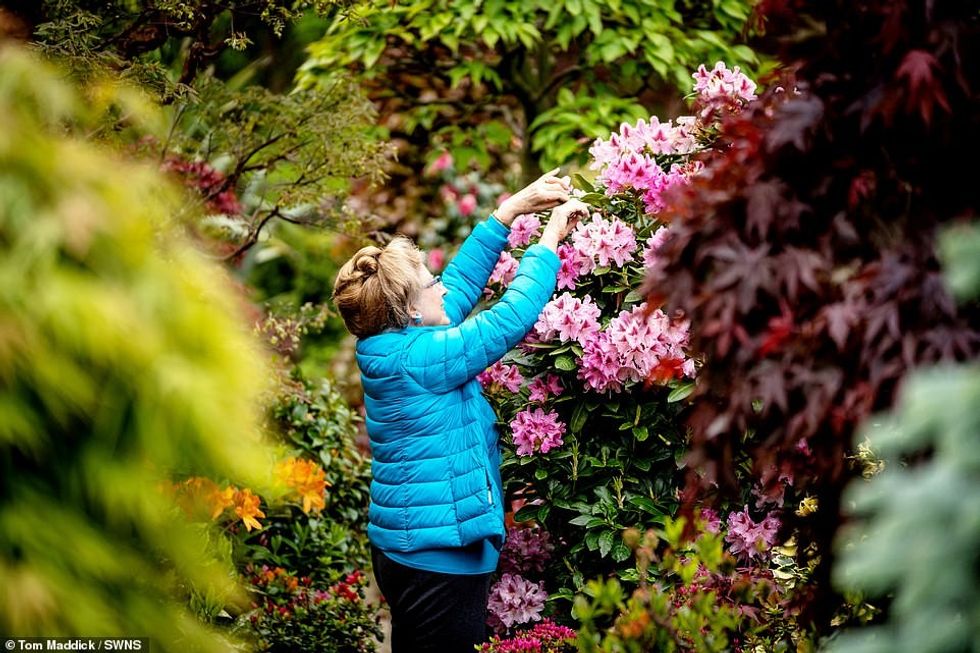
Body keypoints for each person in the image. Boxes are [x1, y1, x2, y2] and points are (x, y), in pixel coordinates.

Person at [332, 170, 588, 652]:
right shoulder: (420, 358)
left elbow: (459, 286)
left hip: (411, 546)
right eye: (430, 285)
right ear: (409, 310)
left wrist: (507, 212)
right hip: (439, 560)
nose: (442, 288)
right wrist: (550, 239)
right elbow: (508, 319)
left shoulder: (392, 345)